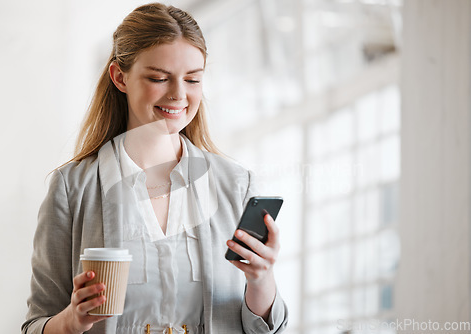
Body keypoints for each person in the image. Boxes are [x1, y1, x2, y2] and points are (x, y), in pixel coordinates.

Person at [22, 3, 288, 334]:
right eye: (159, 78)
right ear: (120, 77)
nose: (179, 95)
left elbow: (266, 327)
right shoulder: (72, 188)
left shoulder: (236, 184)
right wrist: (73, 320)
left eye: (193, 79)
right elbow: (37, 325)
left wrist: (261, 278)